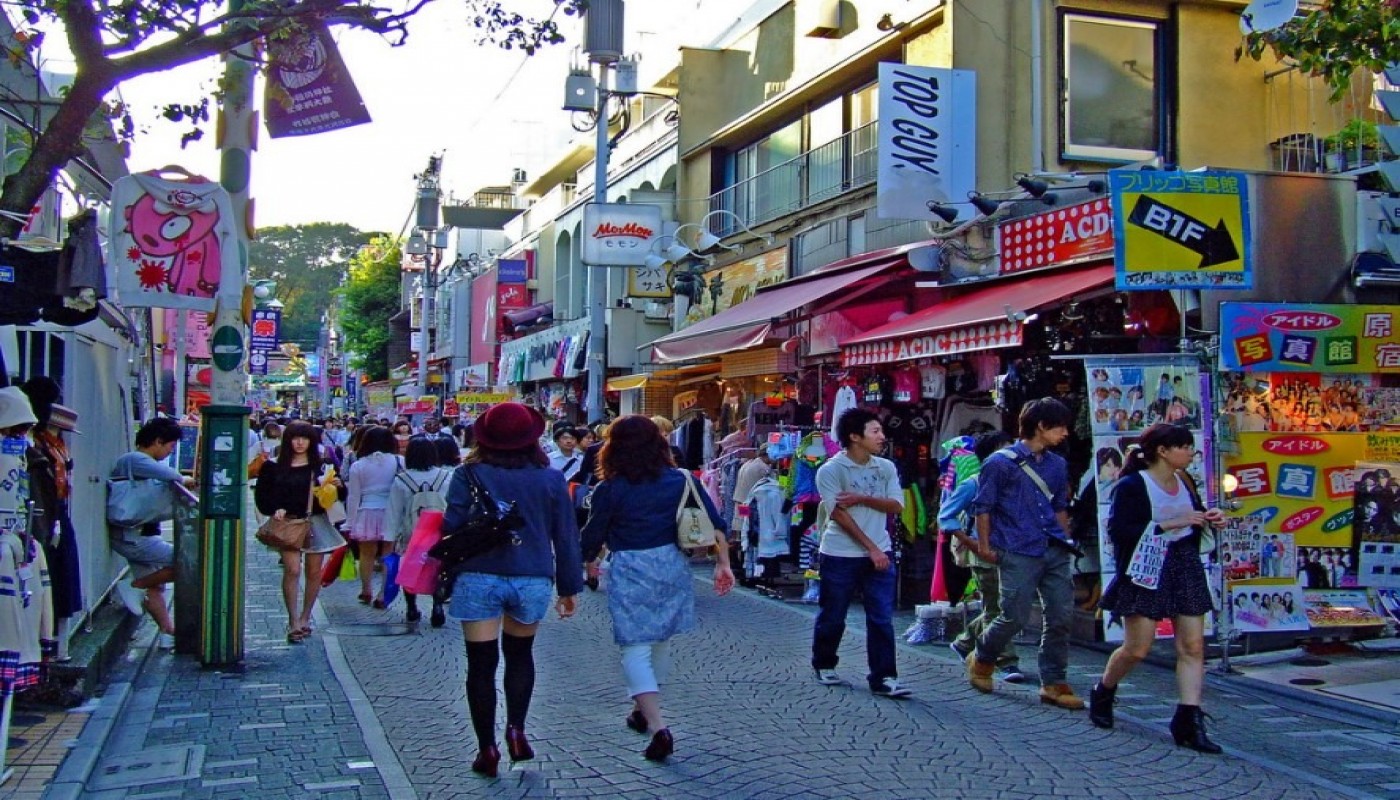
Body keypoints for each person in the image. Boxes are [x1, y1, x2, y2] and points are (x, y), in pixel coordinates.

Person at [581, 415, 733, 763]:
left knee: (634, 647)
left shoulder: (611, 488)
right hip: (671, 563)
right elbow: (715, 524)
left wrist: (581, 565)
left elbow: (593, 535)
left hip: (631, 565)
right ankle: (642, 711)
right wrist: (723, 564)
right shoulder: (680, 480)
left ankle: (659, 726)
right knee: (661, 640)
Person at [442, 403, 583, 777]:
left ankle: (486, 748)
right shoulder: (551, 479)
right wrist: (569, 587)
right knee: (521, 656)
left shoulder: (467, 473)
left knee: (481, 666)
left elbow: (452, 523)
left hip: (478, 574)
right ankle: (517, 729)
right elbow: (565, 536)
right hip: (532, 575)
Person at [1092, 423, 1224, 752]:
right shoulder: (1133, 485)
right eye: (1183, 446)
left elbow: (1194, 519)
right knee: (1137, 648)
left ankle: (1189, 718)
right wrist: (1173, 523)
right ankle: (1104, 689)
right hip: (1146, 565)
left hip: (1184, 563)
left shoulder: (1185, 480)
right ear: (1162, 451)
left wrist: (1210, 518)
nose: (1190, 453)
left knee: (1193, 646)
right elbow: (1120, 531)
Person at [964, 398, 1083, 710]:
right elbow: (984, 507)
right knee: (1013, 615)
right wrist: (986, 546)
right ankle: (984, 656)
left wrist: (1066, 541)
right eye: (1060, 426)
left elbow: (1059, 506)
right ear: (1041, 426)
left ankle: (1054, 681)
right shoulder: (999, 463)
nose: (1065, 433)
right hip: (1017, 548)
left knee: (1060, 615)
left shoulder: (1057, 465)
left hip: (1053, 548)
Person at [810, 408, 910, 699]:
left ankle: (884, 677)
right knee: (834, 614)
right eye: (875, 431)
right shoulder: (830, 470)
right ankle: (824, 662)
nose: (882, 437)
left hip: (880, 551)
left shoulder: (885, 467)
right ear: (855, 437)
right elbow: (839, 514)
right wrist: (871, 548)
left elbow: (896, 505)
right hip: (840, 553)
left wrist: (863, 498)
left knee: (881, 617)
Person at [108, 417, 196, 649]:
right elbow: (170, 475)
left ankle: (168, 632)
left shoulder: (134, 462)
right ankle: (135, 586)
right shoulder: (134, 459)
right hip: (133, 536)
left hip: (134, 534)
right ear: (157, 441)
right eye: (170, 446)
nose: (170, 451)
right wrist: (184, 479)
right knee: (185, 563)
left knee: (156, 587)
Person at [253, 421, 345, 642]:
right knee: (292, 569)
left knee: (314, 572)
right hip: (289, 524)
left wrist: (337, 488)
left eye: (305, 438)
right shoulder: (273, 465)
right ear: (287, 441)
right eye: (295, 438)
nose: (300, 443)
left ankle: (305, 617)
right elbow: (263, 496)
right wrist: (275, 509)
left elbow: (338, 496)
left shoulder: (321, 466)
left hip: (316, 522)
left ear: (312, 441)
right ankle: (293, 619)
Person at [945, 432, 1023, 683]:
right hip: (984, 554)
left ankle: (965, 641)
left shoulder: (1019, 482)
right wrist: (973, 543)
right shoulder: (973, 484)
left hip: (1014, 553)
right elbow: (946, 516)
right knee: (996, 607)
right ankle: (1005, 661)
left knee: (1006, 607)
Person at [386, 436, 452, 626]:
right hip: (439, 530)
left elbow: (394, 510)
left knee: (410, 568)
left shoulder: (402, 480)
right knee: (439, 568)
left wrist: (389, 537)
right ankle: (437, 605)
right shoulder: (446, 476)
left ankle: (411, 607)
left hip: (412, 531)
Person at [345, 425, 402, 605]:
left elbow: (354, 496)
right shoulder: (399, 461)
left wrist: (349, 522)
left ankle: (366, 589)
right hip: (391, 511)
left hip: (366, 511)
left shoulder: (358, 465)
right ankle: (383, 594)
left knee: (366, 554)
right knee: (388, 553)